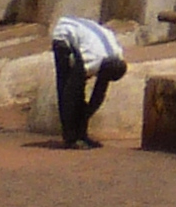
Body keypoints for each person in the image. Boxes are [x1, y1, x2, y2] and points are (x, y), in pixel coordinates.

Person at [50, 10, 127, 147]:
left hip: (84, 31)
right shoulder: (92, 59)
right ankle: (70, 138)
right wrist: (83, 116)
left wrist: (86, 115)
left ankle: (81, 135)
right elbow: (70, 94)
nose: (101, 79)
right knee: (69, 88)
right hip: (64, 34)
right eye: (103, 76)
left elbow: (99, 92)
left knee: (78, 92)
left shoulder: (117, 55)